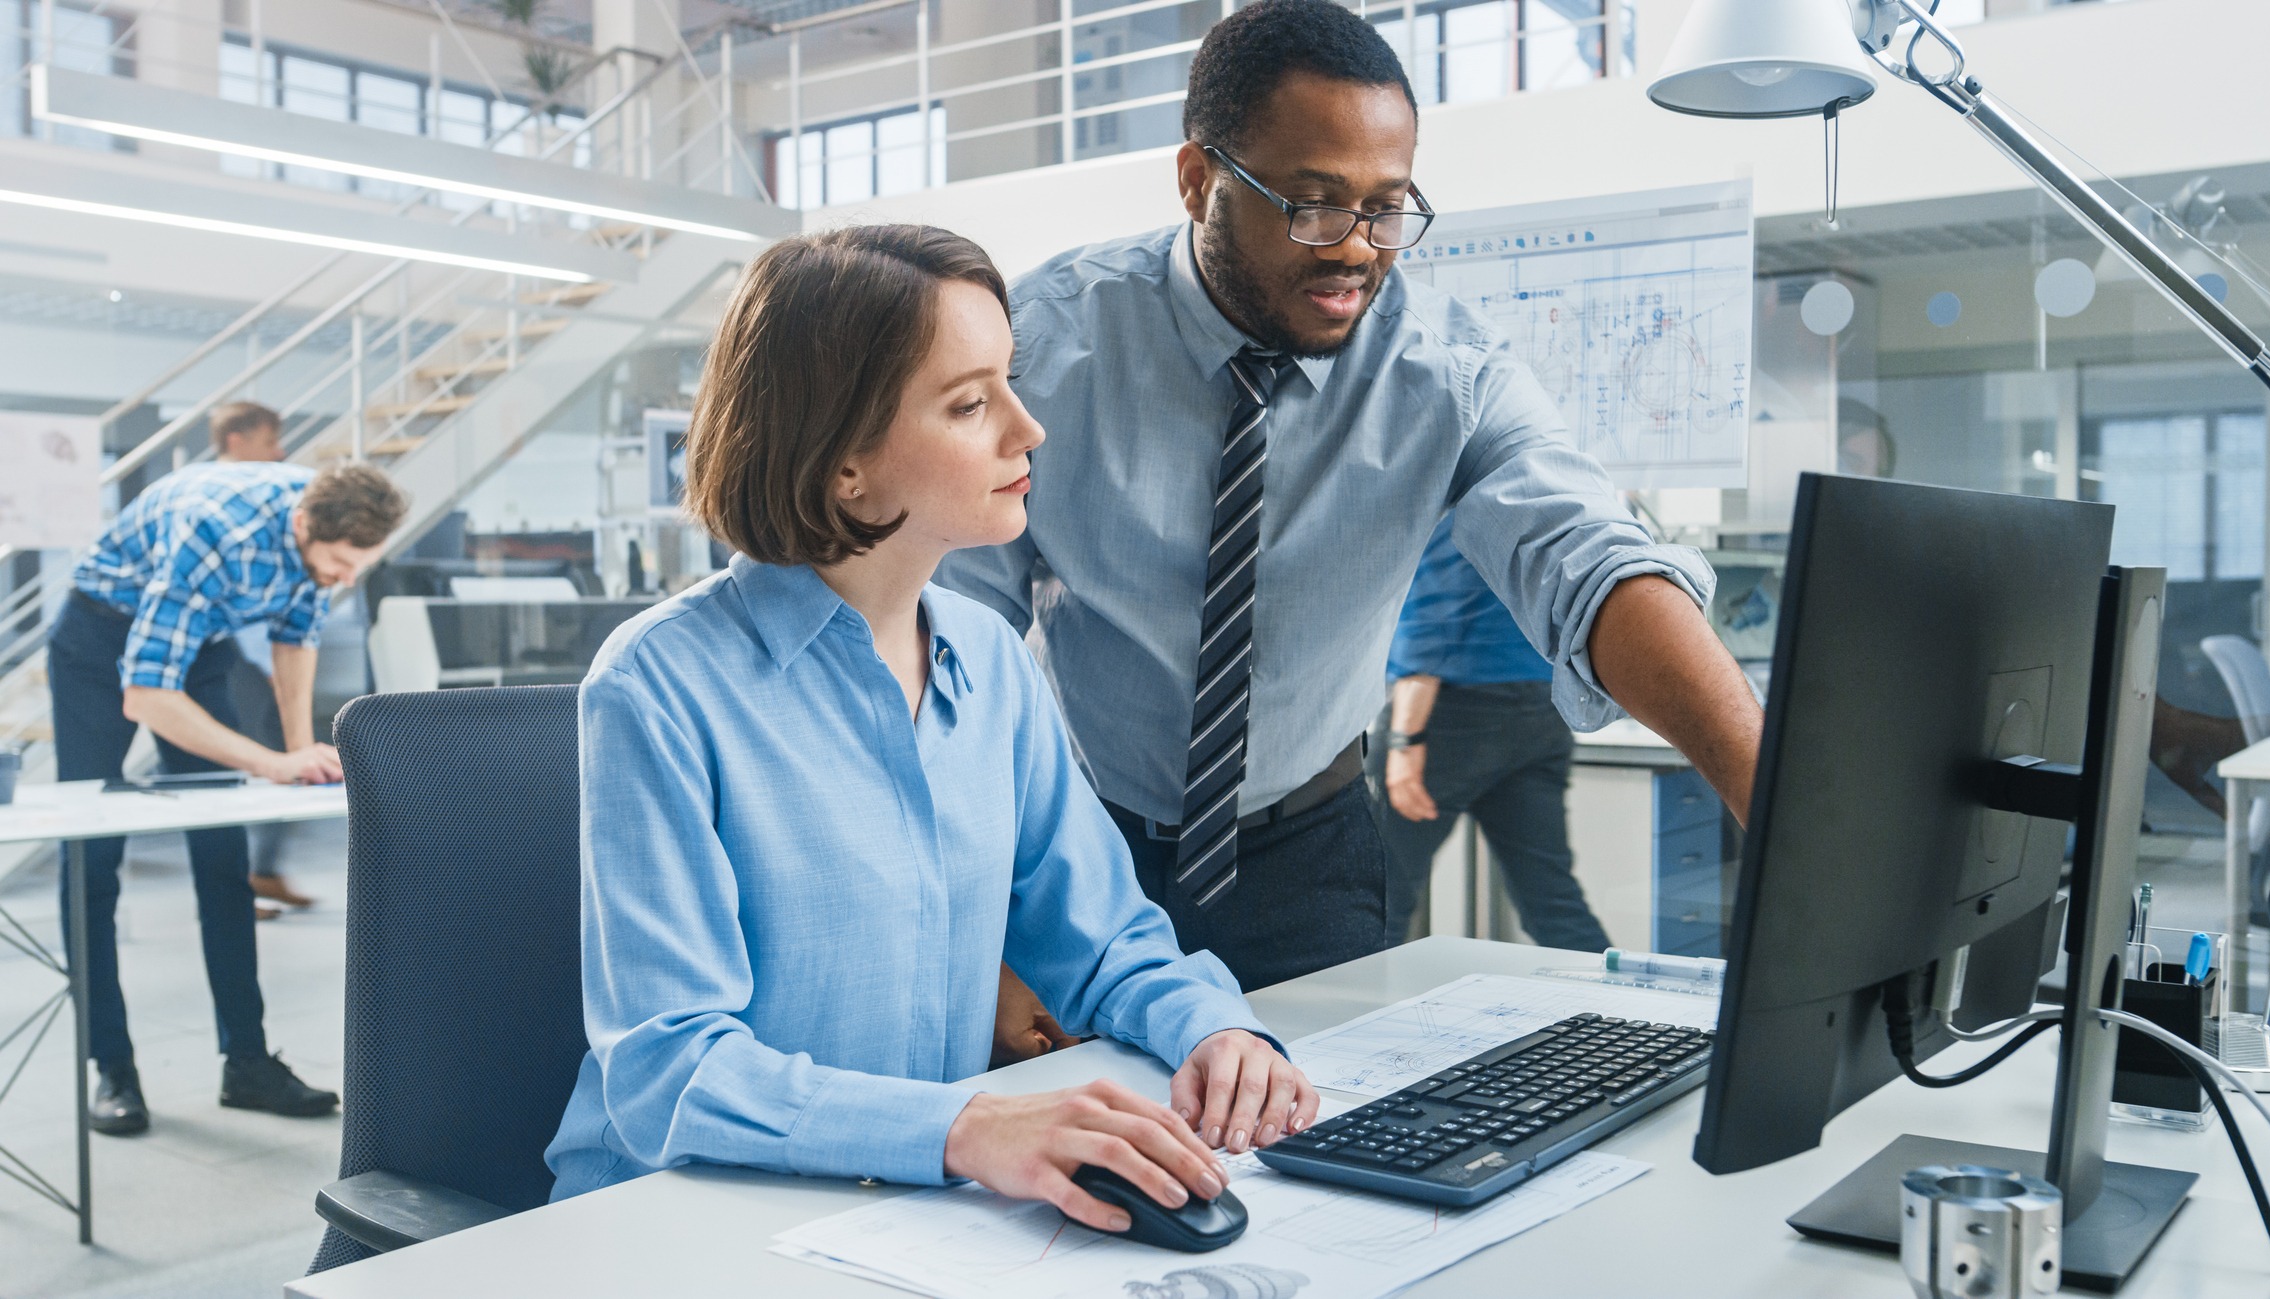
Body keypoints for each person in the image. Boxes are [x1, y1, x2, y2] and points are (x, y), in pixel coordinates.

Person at [939, 0, 1762, 1012]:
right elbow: (948, 648)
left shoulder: (1444, 374)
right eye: (1314, 204)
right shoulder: (1044, 348)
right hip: (1079, 853)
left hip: (1312, 856)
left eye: (1385, 207)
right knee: (1090, 1151)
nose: (1357, 250)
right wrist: (981, 911)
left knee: (1333, 1145)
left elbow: (1584, 556)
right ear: (1198, 179)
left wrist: (1763, 783)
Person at [544, 225, 1316, 1224]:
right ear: (842, 464)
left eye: (1009, 382)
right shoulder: (659, 687)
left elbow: (1106, 944)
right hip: (680, 1221)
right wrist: (961, 1131)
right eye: (968, 403)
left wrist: (1216, 1035)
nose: (1026, 429)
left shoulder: (990, 663)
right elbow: (668, 1070)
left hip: (904, 1213)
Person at [50, 459, 406, 1135]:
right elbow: (147, 692)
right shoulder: (215, 530)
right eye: (339, 562)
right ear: (303, 526)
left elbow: (294, 639)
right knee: (92, 862)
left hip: (199, 644)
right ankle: (113, 1068)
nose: (348, 578)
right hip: (98, 644)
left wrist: (302, 753)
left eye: (361, 565)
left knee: (224, 858)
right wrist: (271, 761)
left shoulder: (328, 522)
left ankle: (245, 1061)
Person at [1367, 515, 1609, 951]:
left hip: (1451, 714)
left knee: (1377, 899)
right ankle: (1619, 1014)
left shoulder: (1453, 489)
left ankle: (1345, 1016)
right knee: (1552, 901)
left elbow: (1434, 613)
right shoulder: (1531, 494)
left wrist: (1405, 740)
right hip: (1542, 704)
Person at [207, 401, 316, 918]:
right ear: (236, 440)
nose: (281, 452)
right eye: (270, 440)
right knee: (264, 761)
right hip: (234, 659)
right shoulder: (218, 508)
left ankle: (263, 872)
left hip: (261, 658)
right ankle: (240, 883)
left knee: (293, 756)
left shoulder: (283, 502)